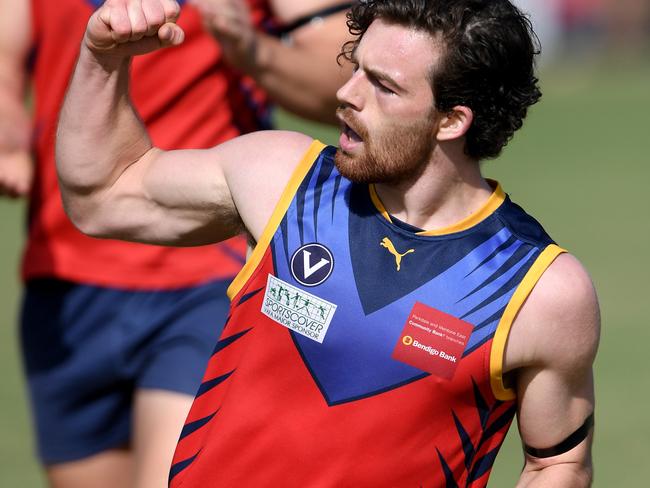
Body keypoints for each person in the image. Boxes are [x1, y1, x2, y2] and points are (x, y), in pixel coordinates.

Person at [57, 0, 601, 486]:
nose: (346, 94)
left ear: (451, 120)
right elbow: (103, 196)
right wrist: (102, 59)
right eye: (355, 68)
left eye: (383, 86)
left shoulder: (538, 290)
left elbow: (557, 463)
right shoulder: (280, 181)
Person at [0, 0, 352, 486]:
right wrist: (8, 136)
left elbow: (342, 78)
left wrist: (253, 50)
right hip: (67, 274)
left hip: (212, 273)